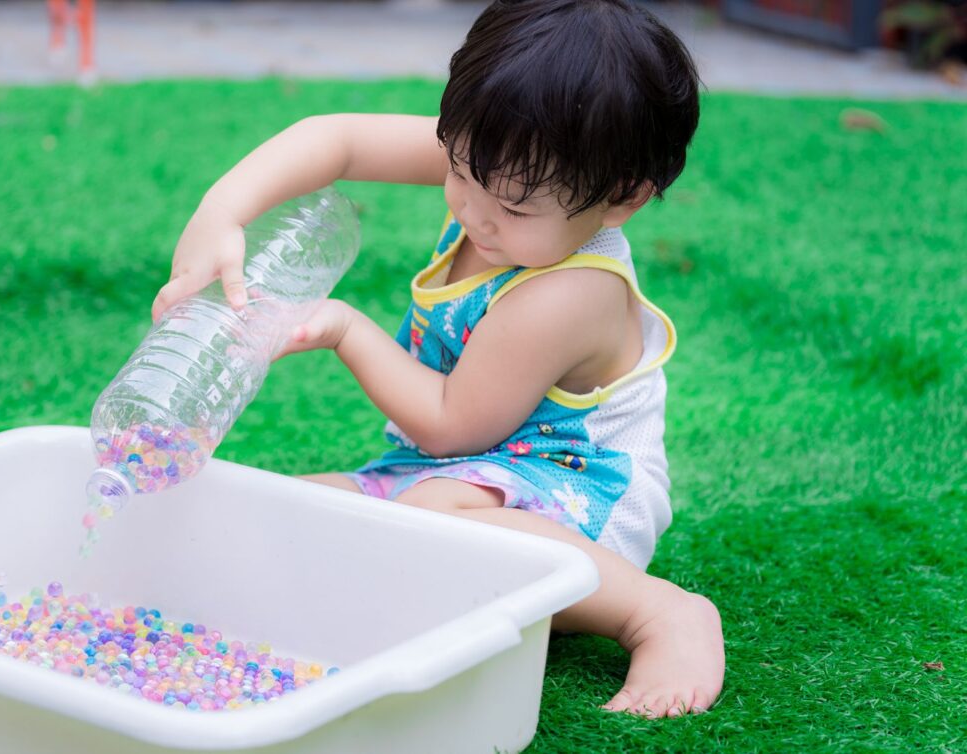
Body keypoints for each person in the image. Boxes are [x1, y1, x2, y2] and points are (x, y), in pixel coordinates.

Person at [152, 0, 724, 718]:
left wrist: (344, 330)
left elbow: (451, 426)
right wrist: (221, 211)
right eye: (456, 170)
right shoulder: (501, 160)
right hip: (457, 476)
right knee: (287, 514)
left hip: (578, 498)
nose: (474, 212)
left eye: (514, 211)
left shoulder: (569, 292)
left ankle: (656, 612)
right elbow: (336, 138)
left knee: (430, 520)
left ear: (622, 197)